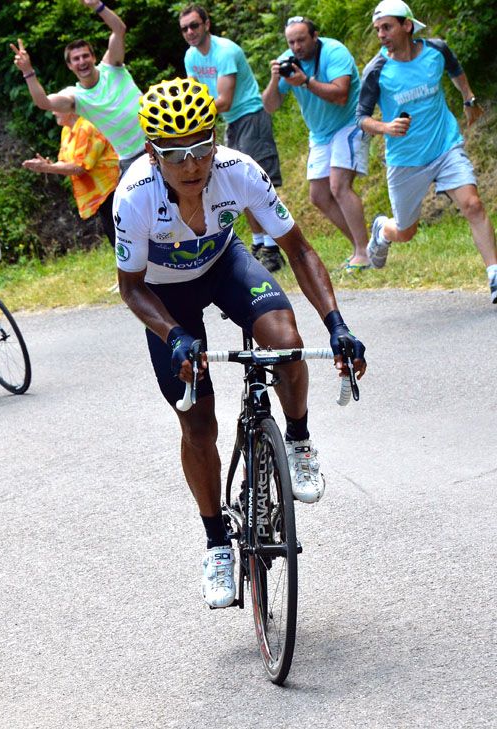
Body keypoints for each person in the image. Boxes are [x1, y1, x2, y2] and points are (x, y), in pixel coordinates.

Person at [113, 78, 367, 608]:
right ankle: (215, 544)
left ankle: (296, 440)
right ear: (151, 152)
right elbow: (131, 288)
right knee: (198, 422)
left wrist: (337, 324)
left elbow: (297, 249)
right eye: (176, 154)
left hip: (223, 265)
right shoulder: (134, 197)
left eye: (201, 146)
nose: (192, 164)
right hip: (164, 297)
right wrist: (175, 336)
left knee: (285, 339)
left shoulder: (239, 171)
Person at [357, 0, 496, 302]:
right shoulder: (377, 70)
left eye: (387, 27)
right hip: (405, 161)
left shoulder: (436, 50)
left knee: (473, 204)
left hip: (445, 146)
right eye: (377, 29)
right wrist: (386, 127)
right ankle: (382, 230)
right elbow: (362, 118)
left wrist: (469, 98)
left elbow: (455, 69)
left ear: (407, 25)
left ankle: (494, 274)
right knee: (406, 232)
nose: (381, 34)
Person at [180, 4, 286, 272]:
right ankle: (260, 242)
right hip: (231, 124)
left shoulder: (226, 51)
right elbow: (196, 94)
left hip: (250, 116)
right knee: (240, 186)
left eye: (194, 25)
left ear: (206, 24)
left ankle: (275, 246)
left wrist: (184, 115)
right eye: (184, 29)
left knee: (259, 184)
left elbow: (224, 101)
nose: (190, 32)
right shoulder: (191, 56)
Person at [262, 16, 372, 271]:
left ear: (315, 36)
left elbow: (341, 95)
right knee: (319, 195)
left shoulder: (334, 52)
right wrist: (274, 79)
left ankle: (364, 253)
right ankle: (361, 247)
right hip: (320, 133)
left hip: (350, 122)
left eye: (301, 40)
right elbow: (270, 106)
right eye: (291, 42)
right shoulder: (288, 61)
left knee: (339, 185)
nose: (297, 47)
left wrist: (306, 82)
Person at [9, 0, 145, 175]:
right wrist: (28, 71)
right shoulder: (76, 97)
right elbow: (43, 102)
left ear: (94, 57)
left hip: (159, 137)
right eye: (76, 59)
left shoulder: (112, 66)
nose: (82, 61)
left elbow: (119, 30)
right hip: (130, 157)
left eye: (85, 56)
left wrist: (97, 5)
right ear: (69, 65)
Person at [21, 109, 120, 243]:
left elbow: (79, 167)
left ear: (70, 109)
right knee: (117, 241)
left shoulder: (87, 127)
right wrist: (48, 165)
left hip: (113, 190)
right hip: (101, 195)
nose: (54, 113)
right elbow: (64, 162)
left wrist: (48, 168)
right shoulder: (67, 130)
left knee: (125, 241)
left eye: (57, 108)